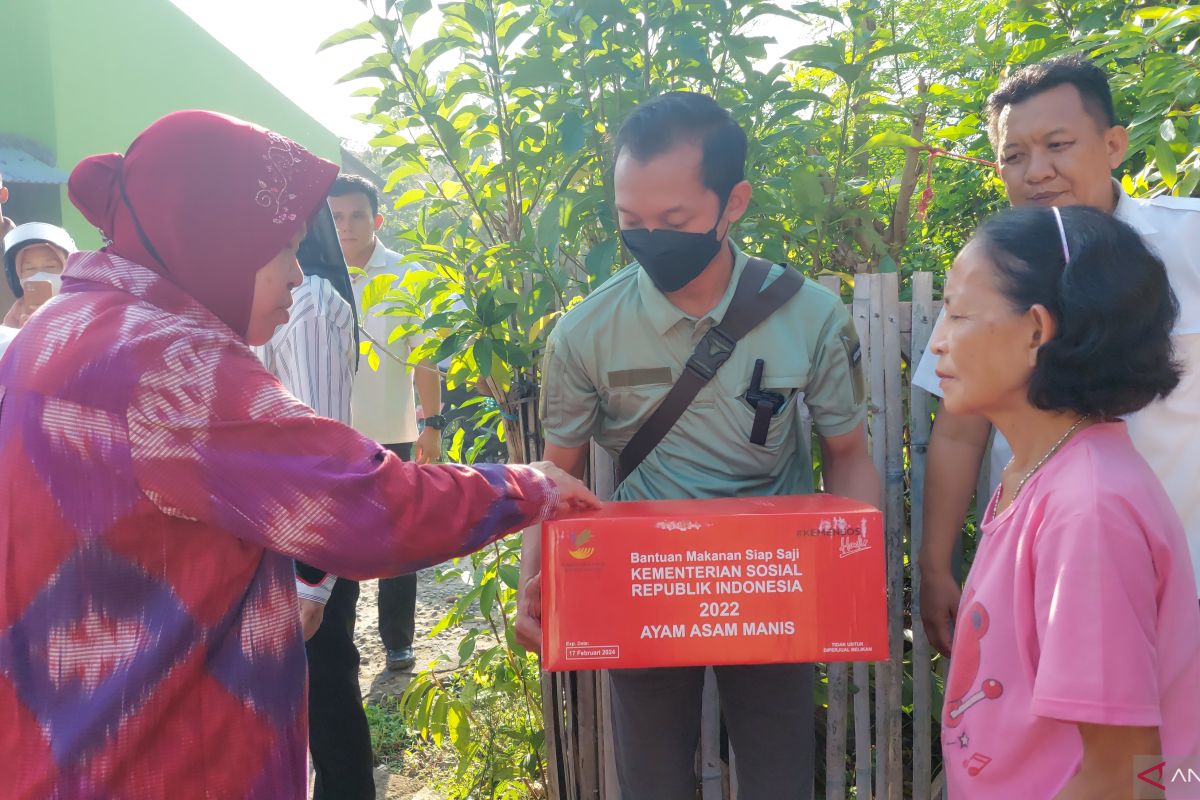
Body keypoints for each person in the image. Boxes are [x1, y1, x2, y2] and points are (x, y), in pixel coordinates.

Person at [0, 110, 598, 799]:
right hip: (164, 755)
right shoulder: (170, 362)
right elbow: (371, 506)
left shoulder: (61, 326)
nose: (297, 274)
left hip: (63, 736)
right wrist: (528, 486)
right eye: (280, 249)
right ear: (210, 239)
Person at [517, 92, 881, 800]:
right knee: (651, 782)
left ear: (733, 201)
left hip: (776, 580)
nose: (651, 235)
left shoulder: (809, 316)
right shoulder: (587, 334)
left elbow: (849, 454)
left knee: (780, 781)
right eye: (630, 221)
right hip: (640, 582)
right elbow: (553, 472)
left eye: (674, 220)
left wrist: (852, 572)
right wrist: (542, 584)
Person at [917, 55, 1200, 657]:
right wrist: (935, 564)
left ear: (1114, 143)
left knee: (1170, 750)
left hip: (1187, 582)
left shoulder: (1192, 243)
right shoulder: (990, 272)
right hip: (1041, 582)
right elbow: (959, 433)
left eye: (1058, 144)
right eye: (1014, 155)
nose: (1037, 171)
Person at [930, 204, 1200, 797]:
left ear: (1035, 330)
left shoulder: (1087, 511)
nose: (939, 343)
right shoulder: (1043, 474)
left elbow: (1122, 775)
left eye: (956, 312)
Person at [252, 203, 375, 799]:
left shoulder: (306, 304)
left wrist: (312, 580)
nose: (294, 270)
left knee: (324, 696)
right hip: (275, 534)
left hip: (306, 547)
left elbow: (322, 451)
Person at [328, 173, 442, 673]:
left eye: (356, 215)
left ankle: (398, 640)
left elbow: (426, 355)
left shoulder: (405, 274)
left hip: (395, 429)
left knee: (400, 536)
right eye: (335, 217)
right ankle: (340, 639)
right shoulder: (313, 273)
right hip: (331, 433)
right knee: (340, 539)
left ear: (377, 219)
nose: (346, 226)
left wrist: (433, 422)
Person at [2, 221, 76, 327]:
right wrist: (21, 333)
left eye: (50, 267)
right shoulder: (20, 307)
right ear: (19, 274)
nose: (39, 275)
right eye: (30, 268)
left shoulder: (76, 302)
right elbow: (5, 336)